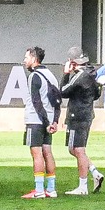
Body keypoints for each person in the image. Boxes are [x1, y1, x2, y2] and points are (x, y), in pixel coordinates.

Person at [60, 47, 104, 195]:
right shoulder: (92, 74)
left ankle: (83, 186)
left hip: (77, 116)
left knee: (78, 150)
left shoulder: (80, 76)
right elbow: (97, 94)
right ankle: (94, 172)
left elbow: (63, 91)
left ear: (72, 62)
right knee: (74, 149)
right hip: (87, 115)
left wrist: (66, 74)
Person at [22, 46, 62, 199]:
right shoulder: (51, 75)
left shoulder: (34, 76)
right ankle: (51, 189)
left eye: (26, 58)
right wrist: (54, 121)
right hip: (49, 120)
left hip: (36, 120)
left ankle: (39, 190)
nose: (24, 61)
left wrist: (45, 122)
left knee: (36, 153)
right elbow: (57, 101)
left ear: (33, 58)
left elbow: (36, 101)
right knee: (48, 152)